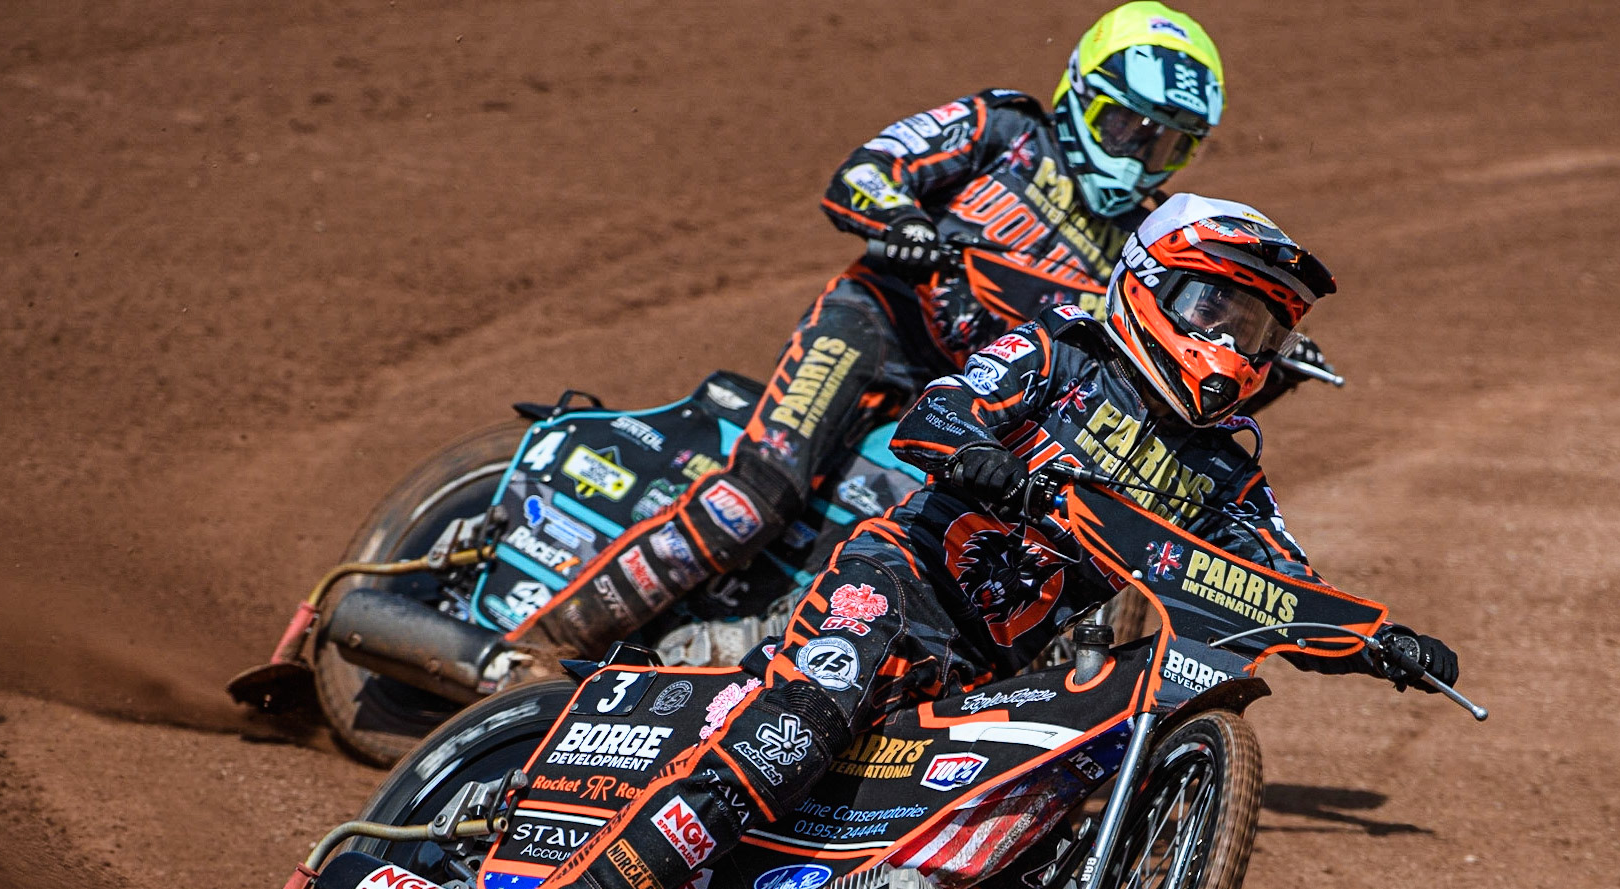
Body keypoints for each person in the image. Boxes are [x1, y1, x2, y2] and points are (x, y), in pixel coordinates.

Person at [493, 193, 1460, 889]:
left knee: (1040, 833)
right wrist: (980, 457)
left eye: (1256, 330)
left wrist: (1378, 638)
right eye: (1213, 308)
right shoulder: (1055, 354)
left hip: (1002, 668)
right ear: (1147, 284)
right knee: (800, 725)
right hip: (899, 586)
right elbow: (939, 411)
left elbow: (1278, 574)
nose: (1230, 344)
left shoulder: (1224, 466)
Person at [507, 4, 1326, 658]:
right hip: (881, 328)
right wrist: (899, 220)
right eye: (1127, 129)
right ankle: (539, 646)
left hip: (992, 395)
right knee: (754, 497)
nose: (1143, 156)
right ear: (1084, 94)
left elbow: (1138, 369)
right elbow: (865, 170)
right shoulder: (1003, 130)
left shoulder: (1151, 246)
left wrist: (1256, 352)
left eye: (1170, 142)